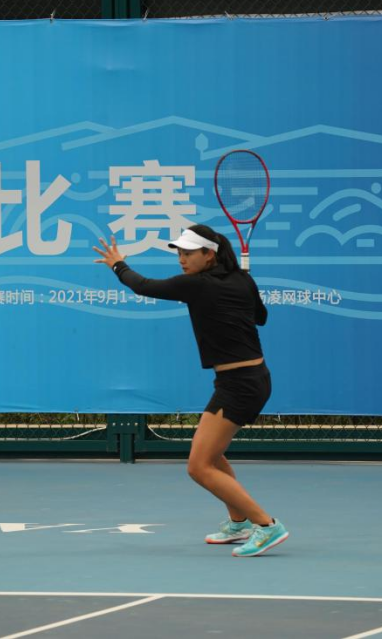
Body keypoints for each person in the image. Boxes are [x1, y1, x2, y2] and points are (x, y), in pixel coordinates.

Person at [93, 225, 288, 558]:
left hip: (241, 385)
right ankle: (239, 523)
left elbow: (144, 286)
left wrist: (117, 264)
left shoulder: (198, 285)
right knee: (212, 456)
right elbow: (261, 317)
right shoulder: (241, 280)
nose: (182, 260)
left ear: (209, 254)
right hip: (244, 379)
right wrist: (244, 285)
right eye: (179, 254)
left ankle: (267, 525)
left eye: (188, 253)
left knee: (198, 466)